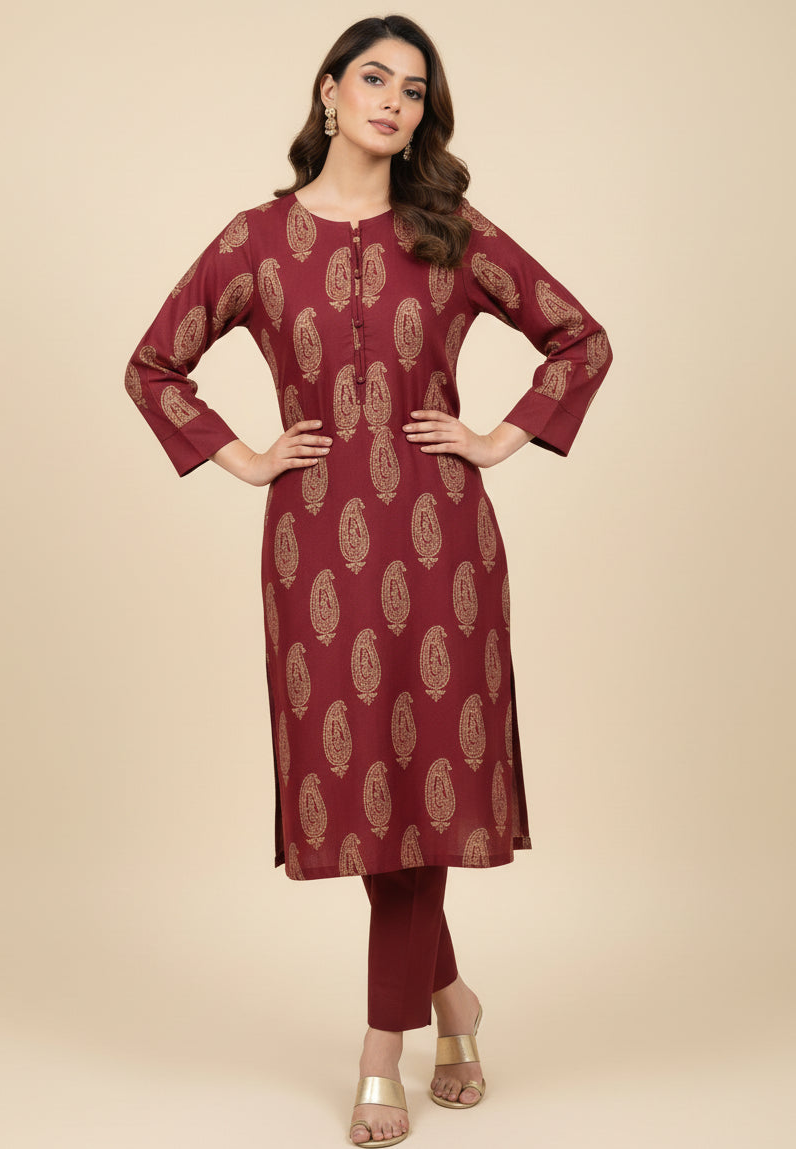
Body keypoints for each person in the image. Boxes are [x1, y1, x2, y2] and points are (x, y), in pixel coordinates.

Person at [124, 14, 612, 1146]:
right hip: (313, 551)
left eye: (414, 89)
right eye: (375, 79)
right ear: (330, 91)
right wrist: (243, 455)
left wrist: (497, 437)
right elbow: (154, 366)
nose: (393, 101)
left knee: (425, 788)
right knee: (365, 796)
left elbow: (578, 339)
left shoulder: (449, 233)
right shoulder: (255, 241)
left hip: (443, 545)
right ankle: (454, 1004)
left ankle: (380, 1052)